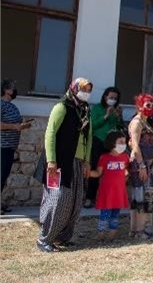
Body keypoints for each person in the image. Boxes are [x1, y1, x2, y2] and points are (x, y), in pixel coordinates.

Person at [37, 78, 94, 252]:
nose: (86, 92)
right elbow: (50, 133)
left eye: (89, 89)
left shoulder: (84, 110)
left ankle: (63, 237)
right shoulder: (62, 107)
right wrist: (51, 160)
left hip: (77, 161)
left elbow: (88, 137)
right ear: (74, 88)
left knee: (75, 201)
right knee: (58, 199)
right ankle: (45, 238)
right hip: (60, 161)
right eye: (83, 89)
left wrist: (86, 160)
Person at [127, 94, 153, 239]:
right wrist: (142, 165)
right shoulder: (137, 122)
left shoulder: (146, 122)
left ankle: (136, 230)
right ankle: (138, 230)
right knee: (140, 196)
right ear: (140, 105)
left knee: (142, 196)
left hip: (150, 164)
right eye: (148, 105)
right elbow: (135, 144)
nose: (151, 108)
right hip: (142, 164)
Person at [87, 131, 129, 242]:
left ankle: (112, 232)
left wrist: (126, 175)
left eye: (124, 142)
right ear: (112, 143)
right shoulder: (104, 158)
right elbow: (98, 173)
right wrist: (88, 173)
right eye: (120, 142)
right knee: (105, 213)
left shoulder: (125, 157)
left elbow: (126, 171)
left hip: (119, 191)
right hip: (107, 191)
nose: (123, 145)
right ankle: (101, 233)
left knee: (115, 213)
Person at [87, 86, 124, 209]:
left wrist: (119, 117)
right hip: (99, 141)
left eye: (115, 98)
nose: (113, 100)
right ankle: (89, 198)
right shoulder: (97, 108)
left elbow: (119, 126)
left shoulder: (116, 109)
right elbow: (93, 125)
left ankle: (107, 197)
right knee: (96, 168)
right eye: (111, 97)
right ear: (105, 97)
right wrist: (106, 116)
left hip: (111, 144)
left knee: (110, 171)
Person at [1, 79, 32, 214]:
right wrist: (15, 126)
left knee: (4, 176)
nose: (14, 90)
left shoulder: (12, 106)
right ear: (6, 90)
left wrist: (24, 124)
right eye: (12, 88)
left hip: (10, 147)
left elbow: (16, 124)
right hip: (2, 146)